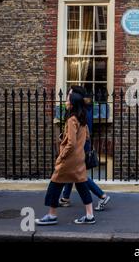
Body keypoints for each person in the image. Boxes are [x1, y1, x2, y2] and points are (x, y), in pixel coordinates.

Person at [35, 91, 95, 225]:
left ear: (73, 103)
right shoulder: (82, 118)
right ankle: (89, 215)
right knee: (81, 185)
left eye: (68, 99)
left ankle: (51, 215)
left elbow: (71, 143)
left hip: (69, 160)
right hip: (79, 158)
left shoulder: (72, 119)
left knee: (55, 184)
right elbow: (87, 137)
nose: (66, 102)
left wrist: (61, 156)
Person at [59, 86, 111, 212]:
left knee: (79, 174)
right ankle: (65, 198)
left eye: (70, 94)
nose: (68, 97)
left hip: (80, 146)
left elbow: (84, 131)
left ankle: (102, 196)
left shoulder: (83, 111)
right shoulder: (80, 109)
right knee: (73, 172)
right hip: (79, 145)